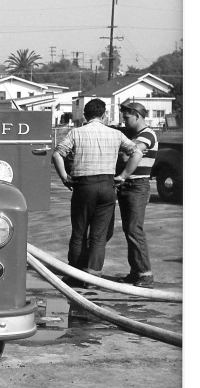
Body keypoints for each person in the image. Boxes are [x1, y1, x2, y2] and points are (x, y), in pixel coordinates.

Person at [52, 98, 142, 287]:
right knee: (99, 235)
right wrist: (124, 176)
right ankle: (93, 276)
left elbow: (57, 154)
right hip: (107, 185)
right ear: (104, 115)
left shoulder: (76, 132)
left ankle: (75, 273)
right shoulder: (116, 134)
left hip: (83, 186)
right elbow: (137, 153)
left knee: (79, 232)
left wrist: (64, 177)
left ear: (85, 115)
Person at [112, 101, 157, 288]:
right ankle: (136, 271)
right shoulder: (135, 135)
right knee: (129, 229)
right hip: (129, 186)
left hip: (137, 185)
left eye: (127, 117)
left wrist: (123, 174)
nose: (124, 120)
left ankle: (145, 274)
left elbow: (132, 154)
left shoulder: (147, 134)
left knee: (134, 229)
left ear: (137, 116)